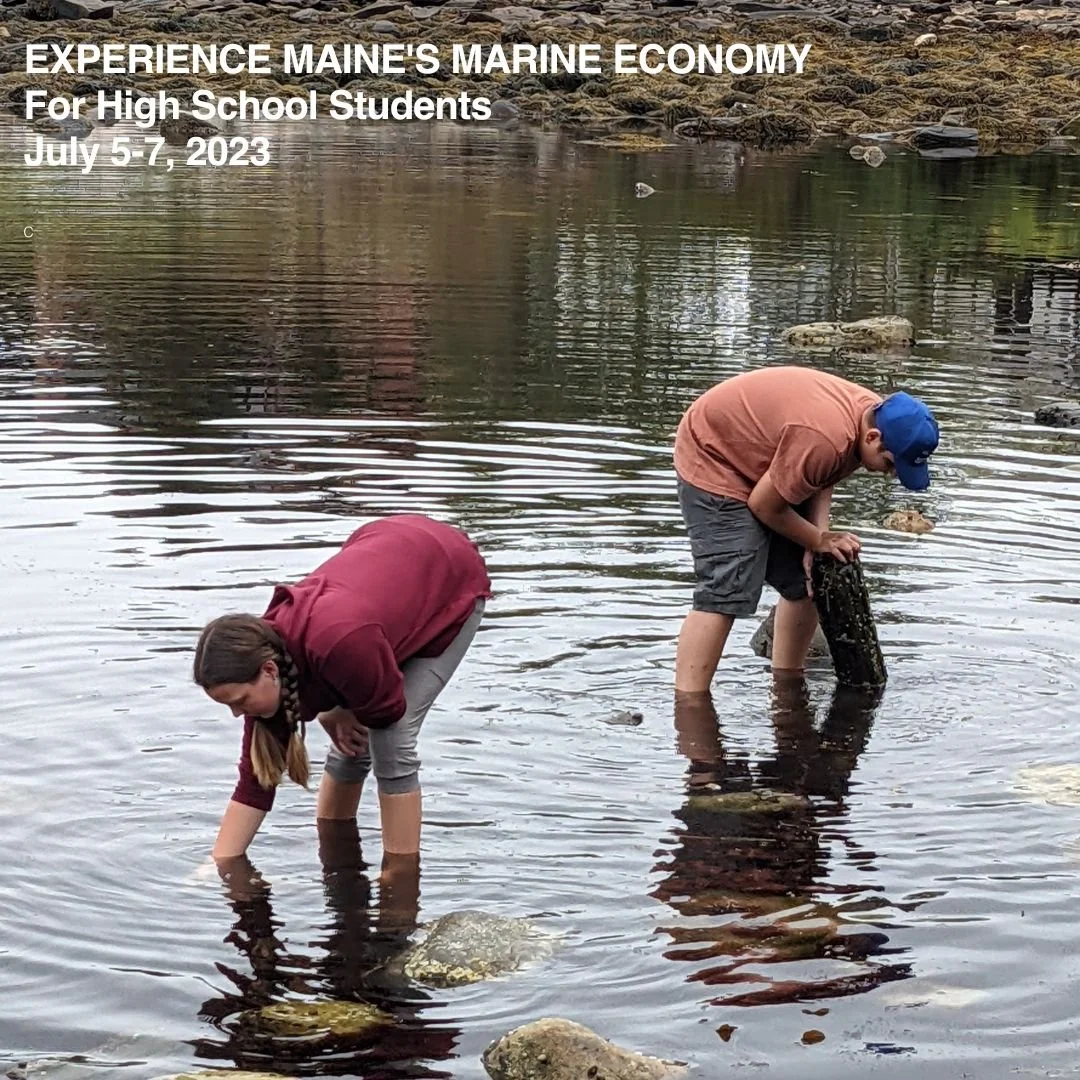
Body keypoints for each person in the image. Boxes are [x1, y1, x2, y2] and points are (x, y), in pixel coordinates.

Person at [192, 513, 491, 862]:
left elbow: (386, 710)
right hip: (381, 580)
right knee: (352, 741)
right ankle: (336, 854)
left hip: (447, 576)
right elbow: (255, 781)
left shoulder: (337, 642)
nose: (237, 713)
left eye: (240, 701)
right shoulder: (258, 664)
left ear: (269, 670)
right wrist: (219, 866)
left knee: (390, 739)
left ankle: (401, 876)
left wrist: (335, 710)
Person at [672, 365, 939, 690]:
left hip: (769, 460)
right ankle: (690, 706)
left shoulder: (871, 418)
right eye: (891, 464)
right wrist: (817, 538)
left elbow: (823, 474)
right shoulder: (827, 435)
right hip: (715, 456)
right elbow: (764, 505)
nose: (892, 475)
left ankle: (786, 688)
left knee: (808, 582)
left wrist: (817, 542)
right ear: (873, 438)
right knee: (727, 588)